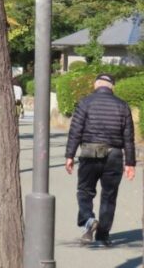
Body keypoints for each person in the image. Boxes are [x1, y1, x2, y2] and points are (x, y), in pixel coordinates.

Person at [64, 74, 136, 246]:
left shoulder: (85, 102)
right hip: (115, 154)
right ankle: (103, 236)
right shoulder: (122, 106)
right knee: (109, 196)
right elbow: (128, 137)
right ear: (113, 87)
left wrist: (69, 155)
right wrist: (130, 163)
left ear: (95, 85)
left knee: (85, 190)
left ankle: (88, 220)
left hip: (90, 151)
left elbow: (75, 131)